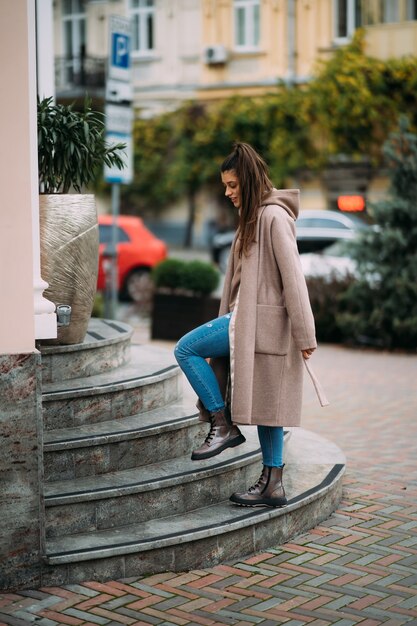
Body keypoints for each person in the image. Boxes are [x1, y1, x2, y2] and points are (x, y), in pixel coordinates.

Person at [174, 142, 327, 508]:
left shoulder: (273, 218)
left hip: (260, 325)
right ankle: (272, 485)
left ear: (246, 179)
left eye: (231, 185)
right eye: (224, 186)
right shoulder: (252, 218)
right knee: (267, 405)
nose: (227, 193)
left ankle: (222, 423)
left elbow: (294, 278)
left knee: (187, 348)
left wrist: (306, 334)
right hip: (247, 325)